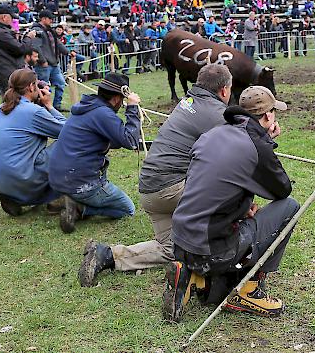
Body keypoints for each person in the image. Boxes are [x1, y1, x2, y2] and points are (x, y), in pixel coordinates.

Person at [77, 64, 233, 287]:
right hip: (173, 190)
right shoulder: (217, 114)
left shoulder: (186, 102)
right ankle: (221, 254)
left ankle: (106, 255)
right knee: (230, 195)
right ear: (225, 90)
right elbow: (238, 149)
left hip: (151, 191)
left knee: (169, 250)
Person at [162, 86, 299, 322]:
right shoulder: (256, 145)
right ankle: (249, 289)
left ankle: (192, 275)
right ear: (268, 116)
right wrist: (266, 143)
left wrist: (242, 207)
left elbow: (215, 185)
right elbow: (282, 189)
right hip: (213, 248)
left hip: (181, 241)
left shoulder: (212, 134)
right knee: (290, 207)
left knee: (221, 236)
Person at [48, 73, 142, 233]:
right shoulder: (103, 114)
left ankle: (72, 200)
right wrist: (132, 108)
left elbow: (112, 140)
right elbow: (131, 141)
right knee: (128, 209)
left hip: (59, 178)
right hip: (80, 182)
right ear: (117, 98)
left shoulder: (87, 107)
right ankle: (80, 208)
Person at [0, 68, 66, 216]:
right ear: (31, 86)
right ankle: (56, 197)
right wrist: (49, 105)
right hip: (23, 180)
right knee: (70, 143)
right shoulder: (33, 111)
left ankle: (14, 197)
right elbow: (68, 132)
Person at [0, 5, 37, 94]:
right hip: (8, 72)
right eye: (11, 17)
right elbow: (20, 49)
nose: (12, 21)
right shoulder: (0, 33)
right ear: (4, 17)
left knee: (10, 100)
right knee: (13, 101)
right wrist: (28, 37)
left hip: (2, 71)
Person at [30, 10, 75, 111]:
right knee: (43, 87)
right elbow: (36, 46)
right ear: (43, 18)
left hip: (54, 63)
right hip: (44, 65)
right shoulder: (36, 30)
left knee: (61, 84)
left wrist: (68, 52)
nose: (52, 20)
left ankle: (56, 106)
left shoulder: (50, 31)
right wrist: (42, 60)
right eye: (50, 19)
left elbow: (58, 43)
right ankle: (42, 107)